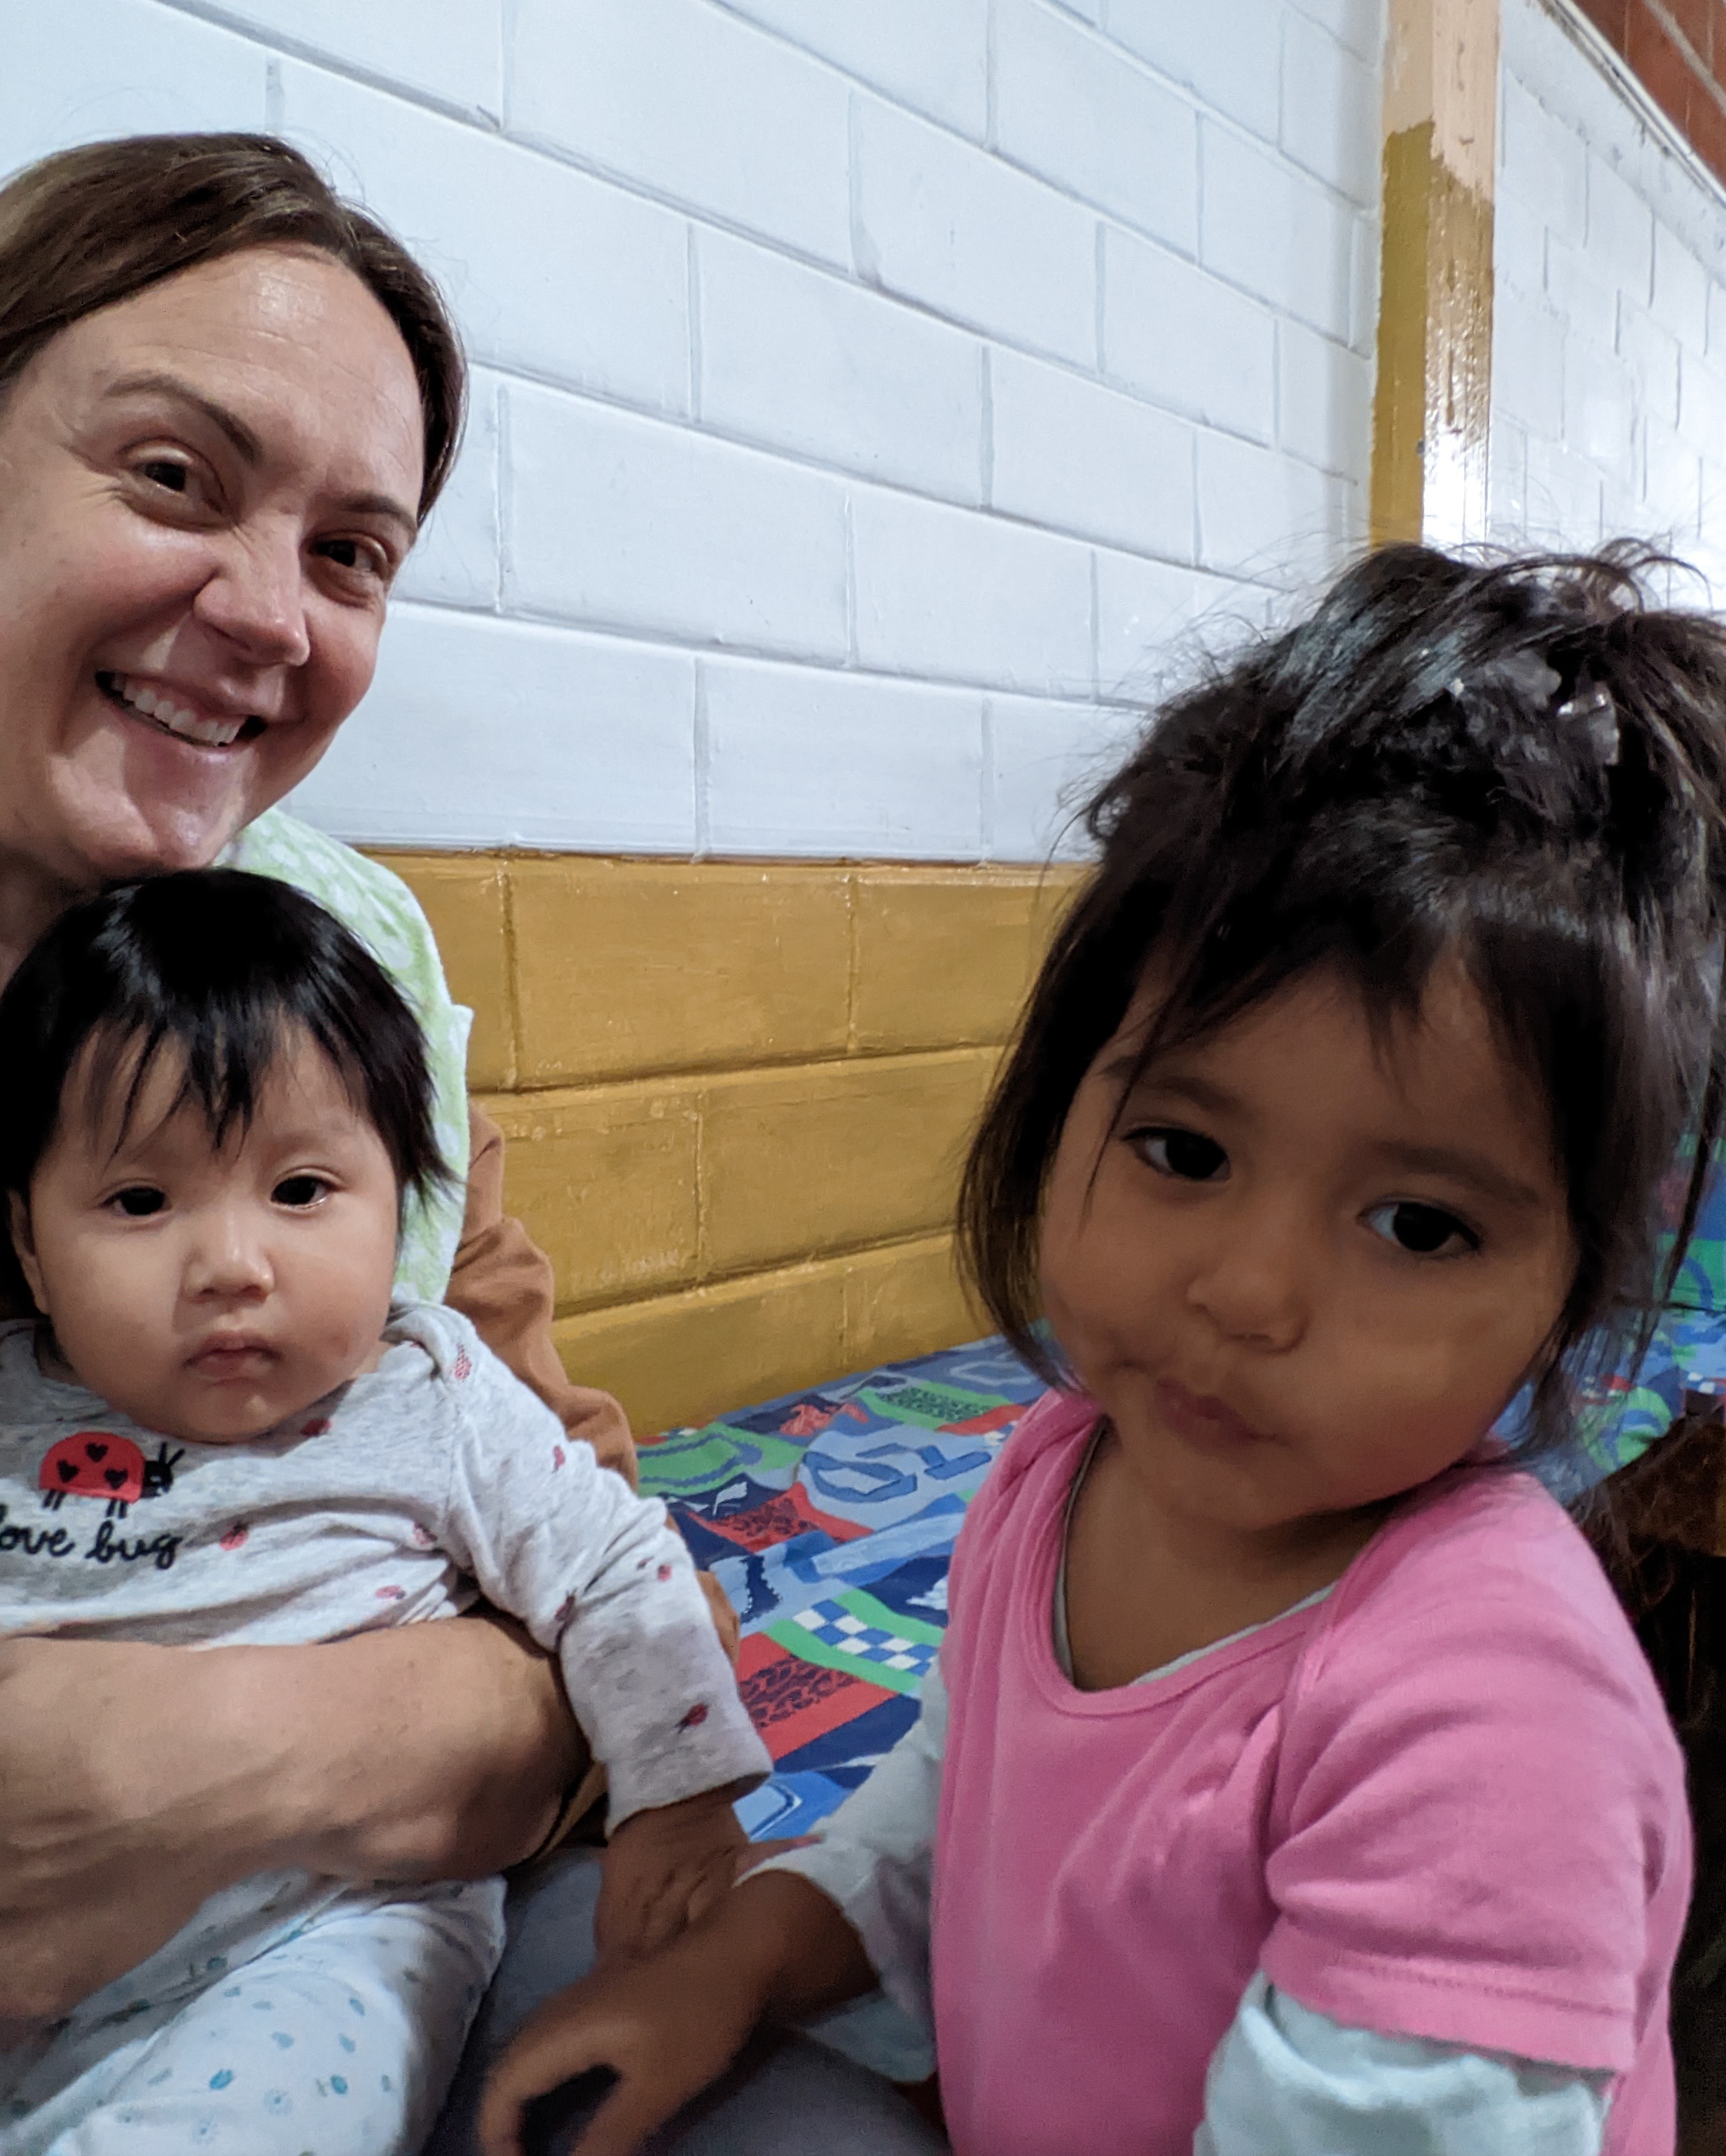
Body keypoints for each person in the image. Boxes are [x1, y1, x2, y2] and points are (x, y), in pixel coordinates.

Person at [478, 544, 1724, 2156]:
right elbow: (952, 1809)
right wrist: (739, 1960)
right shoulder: (1062, 1465)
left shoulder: (1487, 1717)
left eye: (1417, 1224)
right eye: (1183, 1149)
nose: (1248, 1292)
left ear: (1574, 1279)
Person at [0, 130, 741, 2060]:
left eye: (352, 552)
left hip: (323, 1938)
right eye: (173, 475)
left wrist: (264, 1747)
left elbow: (563, 1503)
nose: (271, 615)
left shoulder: (346, 964)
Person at [0, 869, 770, 2155]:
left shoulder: (434, 1393)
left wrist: (679, 1800)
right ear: (29, 1246)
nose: (232, 1265)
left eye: (303, 1192)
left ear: (406, 1210)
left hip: (321, 1935)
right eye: (139, 1202)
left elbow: (616, 1570)